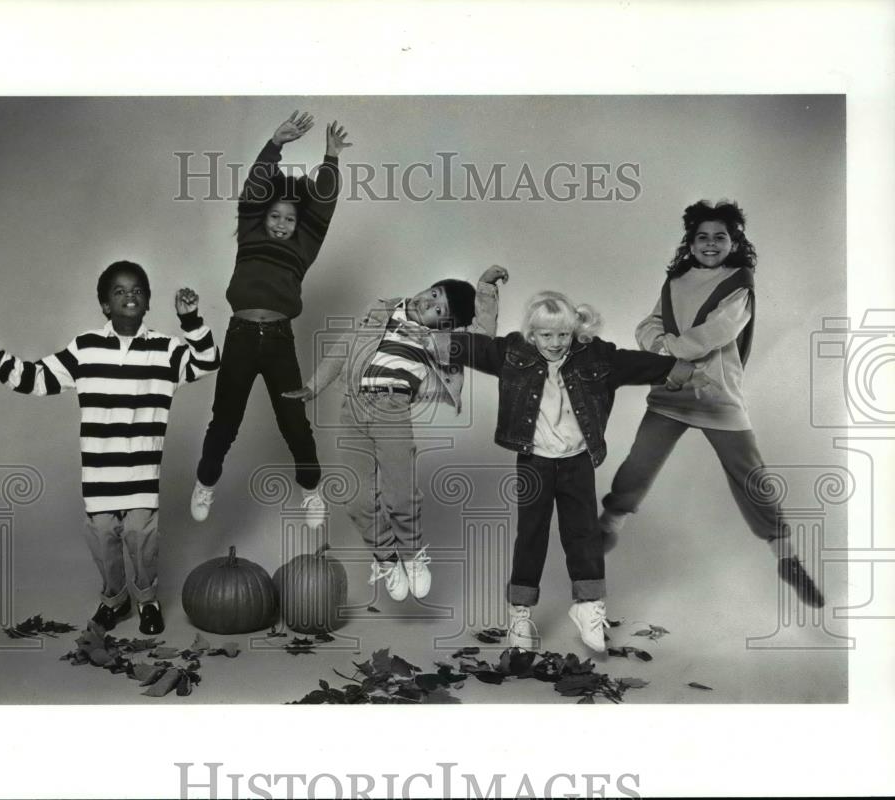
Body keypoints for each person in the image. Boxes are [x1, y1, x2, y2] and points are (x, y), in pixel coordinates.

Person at [0, 261, 220, 634]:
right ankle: (115, 600)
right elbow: (36, 379)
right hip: (99, 472)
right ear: (104, 306)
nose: (129, 296)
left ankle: (147, 601)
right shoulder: (85, 347)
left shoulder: (166, 350)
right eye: (119, 291)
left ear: (148, 302)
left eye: (137, 291)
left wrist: (192, 319)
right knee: (104, 542)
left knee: (141, 539)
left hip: (141, 474)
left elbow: (208, 362)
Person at [448, 291, 714, 652]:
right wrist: (429, 340)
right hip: (534, 461)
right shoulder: (513, 353)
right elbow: (472, 348)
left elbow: (633, 363)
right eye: (546, 335)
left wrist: (676, 370)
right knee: (531, 535)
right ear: (531, 333)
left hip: (576, 461)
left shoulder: (595, 356)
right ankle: (520, 616)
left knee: (584, 533)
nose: (555, 343)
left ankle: (588, 606)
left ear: (573, 331)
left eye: (563, 335)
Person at [599, 200, 825, 608]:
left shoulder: (739, 283)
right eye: (702, 236)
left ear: (734, 240)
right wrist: (661, 347)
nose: (710, 243)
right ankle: (609, 525)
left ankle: (786, 556)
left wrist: (672, 353)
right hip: (671, 393)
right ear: (690, 241)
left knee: (751, 475)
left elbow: (718, 331)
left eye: (719, 236)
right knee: (639, 461)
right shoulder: (676, 281)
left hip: (718, 395)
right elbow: (648, 323)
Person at [283, 266, 509, 601]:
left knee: (400, 494)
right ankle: (387, 558)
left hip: (392, 408)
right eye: (433, 294)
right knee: (356, 499)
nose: (429, 303)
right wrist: (314, 386)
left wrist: (486, 289)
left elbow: (483, 339)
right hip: (353, 408)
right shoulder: (380, 313)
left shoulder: (442, 343)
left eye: (439, 310)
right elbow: (346, 347)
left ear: (445, 325)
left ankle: (412, 555)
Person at [192, 111, 352, 528]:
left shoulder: (304, 246)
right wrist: (275, 145)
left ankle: (312, 491)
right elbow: (255, 187)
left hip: (280, 341)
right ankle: (205, 480)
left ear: (300, 227)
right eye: (275, 217)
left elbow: (324, 205)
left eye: (289, 219)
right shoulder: (250, 232)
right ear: (261, 217)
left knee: (294, 423)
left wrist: (331, 159)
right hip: (241, 337)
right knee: (224, 421)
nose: (281, 225)